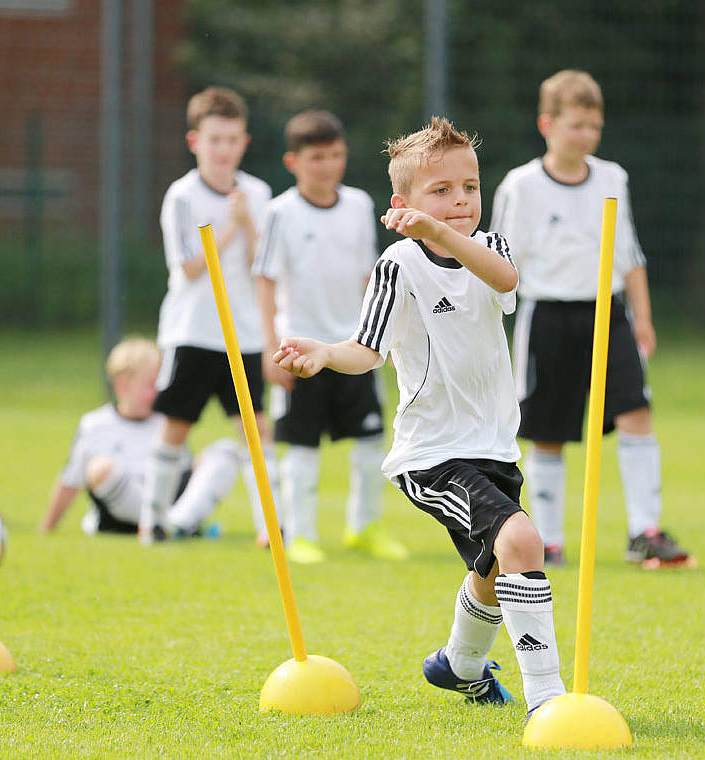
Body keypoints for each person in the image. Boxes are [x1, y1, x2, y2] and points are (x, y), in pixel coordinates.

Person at [273, 118, 565, 718]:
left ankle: (458, 665)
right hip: (431, 454)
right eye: (442, 191)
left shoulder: (492, 249)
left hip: (494, 447)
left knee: (494, 569)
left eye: (470, 187)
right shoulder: (399, 263)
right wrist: (324, 353)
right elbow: (367, 349)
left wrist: (442, 231)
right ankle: (548, 701)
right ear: (403, 203)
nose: (460, 201)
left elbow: (505, 280)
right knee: (521, 540)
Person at [490, 69, 692, 568]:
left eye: (594, 126)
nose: (586, 136)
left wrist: (642, 318)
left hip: (608, 313)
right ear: (547, 124)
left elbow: (630, 254)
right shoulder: (521, 186)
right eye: (576, 125)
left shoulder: (612, 178)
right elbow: (499, 262)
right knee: (548, 429)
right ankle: (549, 540)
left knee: (635, 411)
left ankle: (644, 531)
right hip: (545, 316)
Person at [253, 110, 408, 564]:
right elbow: (265, 280)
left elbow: (369, 276)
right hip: (298, 351)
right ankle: (300, 535)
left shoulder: (359, 205)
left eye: (336, 155)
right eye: (316, 157)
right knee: (301, 446)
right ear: (293, 162)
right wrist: (269, 347)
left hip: (352, 347)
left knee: (370, 444)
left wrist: (385, 334)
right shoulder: (279, 212)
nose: (327, 165)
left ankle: (364, 528)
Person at [147, 85, 274, 546]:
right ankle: (152, 521)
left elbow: (263, 264)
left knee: (255, 430)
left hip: (244, 333)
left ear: (245, 142)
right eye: (214, 139)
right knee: (176, 426)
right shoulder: (182, 196)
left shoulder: (258, 192)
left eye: (232, 139)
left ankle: (270, 527)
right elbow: (190, 266)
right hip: (193, 331)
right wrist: (230, 224)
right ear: (195, 142)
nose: (224, 149)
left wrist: (249, 221)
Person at [41, 338, 242, 537]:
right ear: (122, 385)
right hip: (120, 516)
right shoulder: (94, 424)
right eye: (151, 385)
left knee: (227, 451)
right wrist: (47, 528)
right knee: (100, 469)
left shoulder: (169, 420)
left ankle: (175, 524)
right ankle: (162, 526)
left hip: (172, 499)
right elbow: (70, 481)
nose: (158, 392)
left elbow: (188, 472)